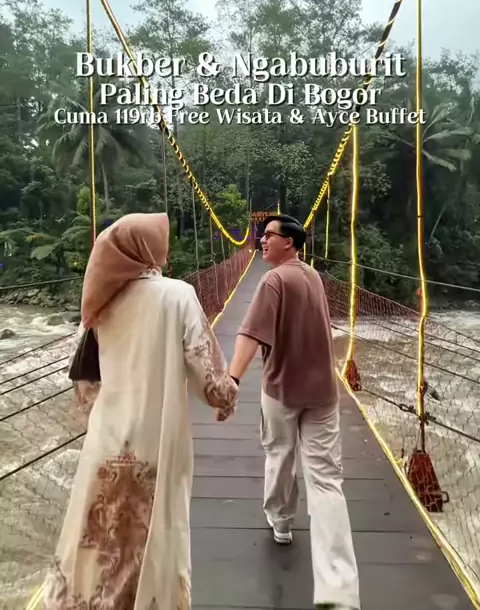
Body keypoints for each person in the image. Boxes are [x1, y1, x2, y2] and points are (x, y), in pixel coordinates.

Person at [43, 212, 238, 610]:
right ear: (150, 249)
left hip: (106, 441)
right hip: (155, 443)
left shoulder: (100, 300)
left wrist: (105, 414)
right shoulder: (178, 295)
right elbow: (210, 377)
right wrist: (225, 399)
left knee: (103, 542)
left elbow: (84, 385)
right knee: (152, 538)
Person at [223, 214, 360, 610]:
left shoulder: (273, 281)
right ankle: (339, 591)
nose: (261, 241)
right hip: (323, 392)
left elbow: (249, 334)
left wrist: (232, 380)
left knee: (280, 455)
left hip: (282, 390)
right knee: (327, 480)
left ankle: (281, 522)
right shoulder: (313, 275)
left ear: (290, 242)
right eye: (261, 235)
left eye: (269, 235)